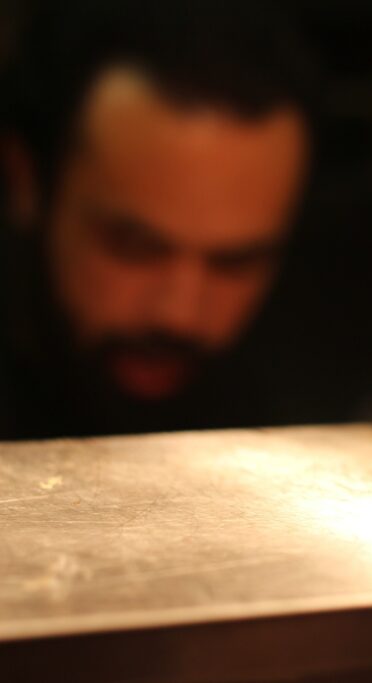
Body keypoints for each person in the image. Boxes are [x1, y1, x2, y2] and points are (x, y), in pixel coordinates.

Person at [0, 2, 346, 438]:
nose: (180, 315)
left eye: (235, 263)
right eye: (134, 248)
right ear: (24, 181)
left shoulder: (324, 383)